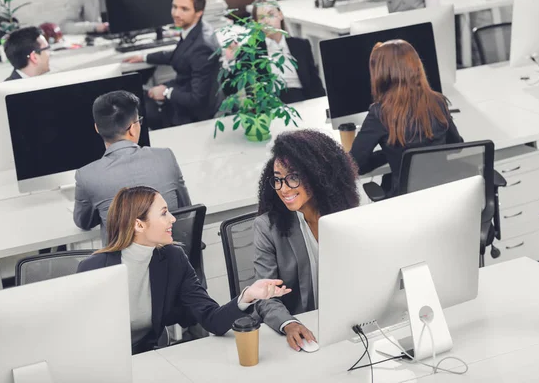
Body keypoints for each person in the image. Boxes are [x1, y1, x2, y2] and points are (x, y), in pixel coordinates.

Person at [78, 186, 291, 354]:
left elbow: (212, 319)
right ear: (139, 225)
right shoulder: (94, 269)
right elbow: (82, 338)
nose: (173, 218)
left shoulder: (173, 258)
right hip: (106, 365)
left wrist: (248, 295)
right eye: (163, 214)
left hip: (151, 358)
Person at [254, 129, 360, 351]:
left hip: (353, 324)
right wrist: (289, 323)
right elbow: (266, 296)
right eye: (277, 180)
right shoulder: (268, 227)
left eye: (293, 178)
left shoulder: (350, 213)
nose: (283, 189)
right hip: (307, 331)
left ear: (316, 174)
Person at [73, 90, 191, 246]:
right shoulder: (166, 157)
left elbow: (83, 222)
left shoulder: (87, 176)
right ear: (133, 128)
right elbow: (186, 209)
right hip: (174, 261)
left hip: (125, 268)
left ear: (97, 128)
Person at [350, 39, 463, 195]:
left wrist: (389, 155)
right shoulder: (437, 101)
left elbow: (355, 165)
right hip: (443, 196)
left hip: (408, 205)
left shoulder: (380, 113)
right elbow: (456, 145)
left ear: (381, 74)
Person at [124, 0, 221, 127]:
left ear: (199, 12)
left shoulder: (203, 46)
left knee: (132, 106)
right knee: (134, 92)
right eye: (175, 7)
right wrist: (144, 57)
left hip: (191, 114)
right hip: (182, 91)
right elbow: (179, 54)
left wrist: (166, 93)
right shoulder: (194, 28)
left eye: (184, 9)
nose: (176, 13)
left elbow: (197, 99)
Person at [225, 0, 325, 104]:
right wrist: (232, 59)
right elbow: (229, 89)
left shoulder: (301, 45)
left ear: (280, 15)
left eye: (271, 15)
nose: (267, 21)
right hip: (269, 105)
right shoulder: (251, 51)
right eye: (261, 18)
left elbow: (316, 85)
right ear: (256, 24)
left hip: (302, 101)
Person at [0, 26, 51, 163]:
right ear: (34, 57)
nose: (50, 54)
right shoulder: (7, 96)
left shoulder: (38, 85)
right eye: (47, 49)